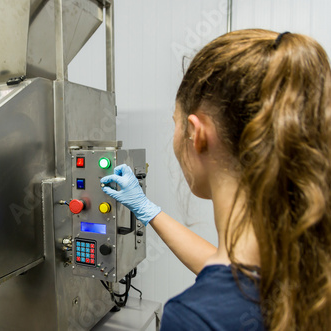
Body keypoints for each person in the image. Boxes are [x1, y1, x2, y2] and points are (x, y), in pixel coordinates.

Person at [101, 29, 331, 330]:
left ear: (197, 134)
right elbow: (233, 275)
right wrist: (147, 209)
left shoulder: (193, 317)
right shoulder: (310, 261)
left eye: (176, 124)